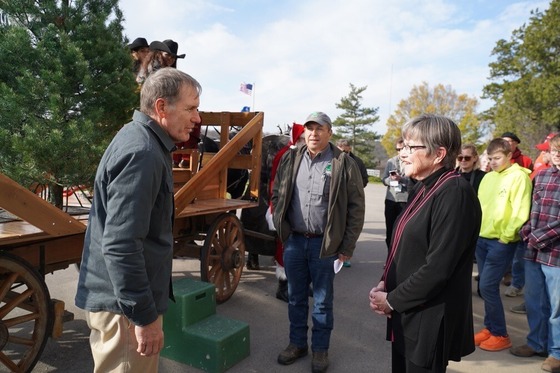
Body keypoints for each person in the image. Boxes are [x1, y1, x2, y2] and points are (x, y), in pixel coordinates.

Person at [75, 68, 202, 373]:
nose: (197, 118)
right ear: (161, 107)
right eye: (191, 108)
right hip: (124, 312)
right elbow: (121, 245)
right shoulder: (143, 151)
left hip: (121, 304)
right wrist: (143, 317)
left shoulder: (140, 140)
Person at [369, 114, 482, 373]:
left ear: (439, 153)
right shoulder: (423, 187)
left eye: (412, 147)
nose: (404, 154)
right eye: (403, 147)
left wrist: (392, 300)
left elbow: (438, 268)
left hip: (427, 318)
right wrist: (385, 282)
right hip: (407, 312)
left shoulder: (454, 193)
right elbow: (403, 245)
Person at [272, 111, 365, 373]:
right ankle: (297, 344)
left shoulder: (342, 163)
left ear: (329, 133)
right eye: (310, 128)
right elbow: (278, 192)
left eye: (320, 128)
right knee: (295, 297)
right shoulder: (291, 158)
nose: (314, 133)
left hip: (325, 245)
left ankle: (320, 350)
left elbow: (356, 208)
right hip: (295, 242)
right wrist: (283, 228)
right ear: (304, 132)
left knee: (322, 301)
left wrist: (347, 247)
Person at [474, 138, 532, 352]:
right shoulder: (488, 177)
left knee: (488, 286)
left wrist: (506, 237)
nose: (493, 162)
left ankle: (500, 334)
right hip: (481, 239)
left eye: (497, 158)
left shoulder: (519, 177)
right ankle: (490, 328)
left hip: (501, 241)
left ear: (509, 155)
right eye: (490, 159)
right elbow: (480, 207)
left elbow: (520, 211)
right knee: (484, 287)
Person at [509, 134, 560, 373]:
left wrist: (539, 236)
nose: (556, 153)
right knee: (535, 302)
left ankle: (556, 352)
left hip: (556, 254)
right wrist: (527, 230)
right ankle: (536, 343)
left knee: (556, 307)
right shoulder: (542, 175)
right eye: (554, 149)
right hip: (533, 251)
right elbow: (534, 208)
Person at [268, 123, 306, 301]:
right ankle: (283, 286)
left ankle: (299, 284)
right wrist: (277, 208)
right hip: (285, 207)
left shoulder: (303, 154)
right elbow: (275, 184)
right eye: (304, 139)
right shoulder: (285, 155)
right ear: (297, 140)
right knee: (284, 247)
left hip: (299, 209)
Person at [335, 138, 368, 268]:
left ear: (349, 148)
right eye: (339, 147)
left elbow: (364, 178)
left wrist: (356, 187)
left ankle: (346, 254)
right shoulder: (333, 159)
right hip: (338, 199)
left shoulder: (357, 162)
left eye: (344, 148)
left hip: (352, 197)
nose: (342, 150)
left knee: (350, 226)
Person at [381, 138, 410, 253]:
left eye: (403, 148)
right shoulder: (391, 162)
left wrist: (401, 179)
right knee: (390, 230)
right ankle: (390, 257)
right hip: (391, 200)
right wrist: (391, 180)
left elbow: (416, 182)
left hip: (406, 200)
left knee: (403, 231)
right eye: (398, 149)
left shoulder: (411, 162)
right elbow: (383, 180)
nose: (400, 151)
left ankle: (400, 258)